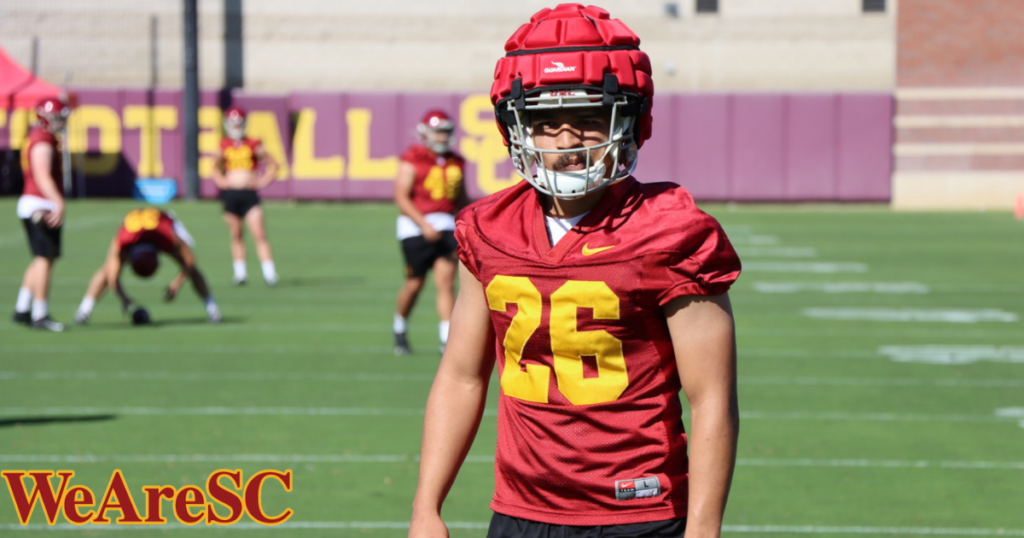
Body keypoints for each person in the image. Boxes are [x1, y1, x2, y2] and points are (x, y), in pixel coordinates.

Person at [409, 5, 742, 538]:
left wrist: (703, 531)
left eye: (588, 118)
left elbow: (711, 400)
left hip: (638, 512)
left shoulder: (670, 232)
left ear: (629, 120)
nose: (566, 142)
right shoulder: (488, 229)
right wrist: (426, 508)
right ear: (515, 126)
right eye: (545, 122)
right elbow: (462, 375)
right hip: (520, 510)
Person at [392, 110, 468, 355]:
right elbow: (401, 197)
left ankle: (446, 339)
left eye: (445, 131)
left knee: (446, 283)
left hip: (446, 225)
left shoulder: (456, 161)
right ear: (426, 133)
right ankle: (399, 326)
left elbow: (461, 199)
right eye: (438, 132)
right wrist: (423, 225)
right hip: (415, 227)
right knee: (415, 283)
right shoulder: (413, 158)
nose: (442, 137)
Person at [73, 207, 222, 324]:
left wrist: (177, 283)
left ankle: (212, 309)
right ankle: (84, 311)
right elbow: (112, 275)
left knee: (191, 269)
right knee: (107, 269)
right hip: (133, 223)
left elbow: (190, 261)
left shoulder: (167, 237)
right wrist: (124, 298)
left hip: (164, 222)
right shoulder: (124, 239)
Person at [11, 97, 71, 332]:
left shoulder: (41, 137)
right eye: (57, 118)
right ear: (45, 118)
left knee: (40, 258)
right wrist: (58, 202)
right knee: (45, 258)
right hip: (39, 203)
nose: (61, 122)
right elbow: (42, 174)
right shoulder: (42, 139)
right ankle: (40, 314)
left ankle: (22, 308)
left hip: (35, 201)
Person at [211, 105, 280, 286]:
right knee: (236, 235)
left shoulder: (253, 144)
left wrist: (262, 182)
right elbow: (214, 167)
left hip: (249, 196)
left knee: (259, 234)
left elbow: (274, 165)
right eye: (232, 123)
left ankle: (269, 274)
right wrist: (221, 181)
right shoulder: (224, 145)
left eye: (238, 122)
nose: (235, 126)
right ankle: (240, 274)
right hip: (230, 195)